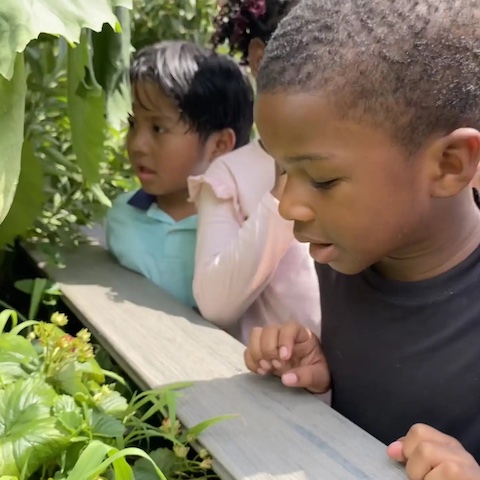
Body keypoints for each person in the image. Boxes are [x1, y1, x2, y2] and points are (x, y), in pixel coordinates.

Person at [243, 0, 480, 477]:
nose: (288, 206)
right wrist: (320, 375)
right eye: (282, 169)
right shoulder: (341, 257)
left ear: (450, 164)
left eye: (323, 180)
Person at [187, 0, 321, 344]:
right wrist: (281, 193)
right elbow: (215, 303)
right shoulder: (229, 176)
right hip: (268, 392)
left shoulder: (366, 164)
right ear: (261, 60)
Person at [106, 41, 254, 307]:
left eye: (158, 129)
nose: (137, 144)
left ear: (219, 145)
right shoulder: (122, 218)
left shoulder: (243, 233)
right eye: (133, 124)